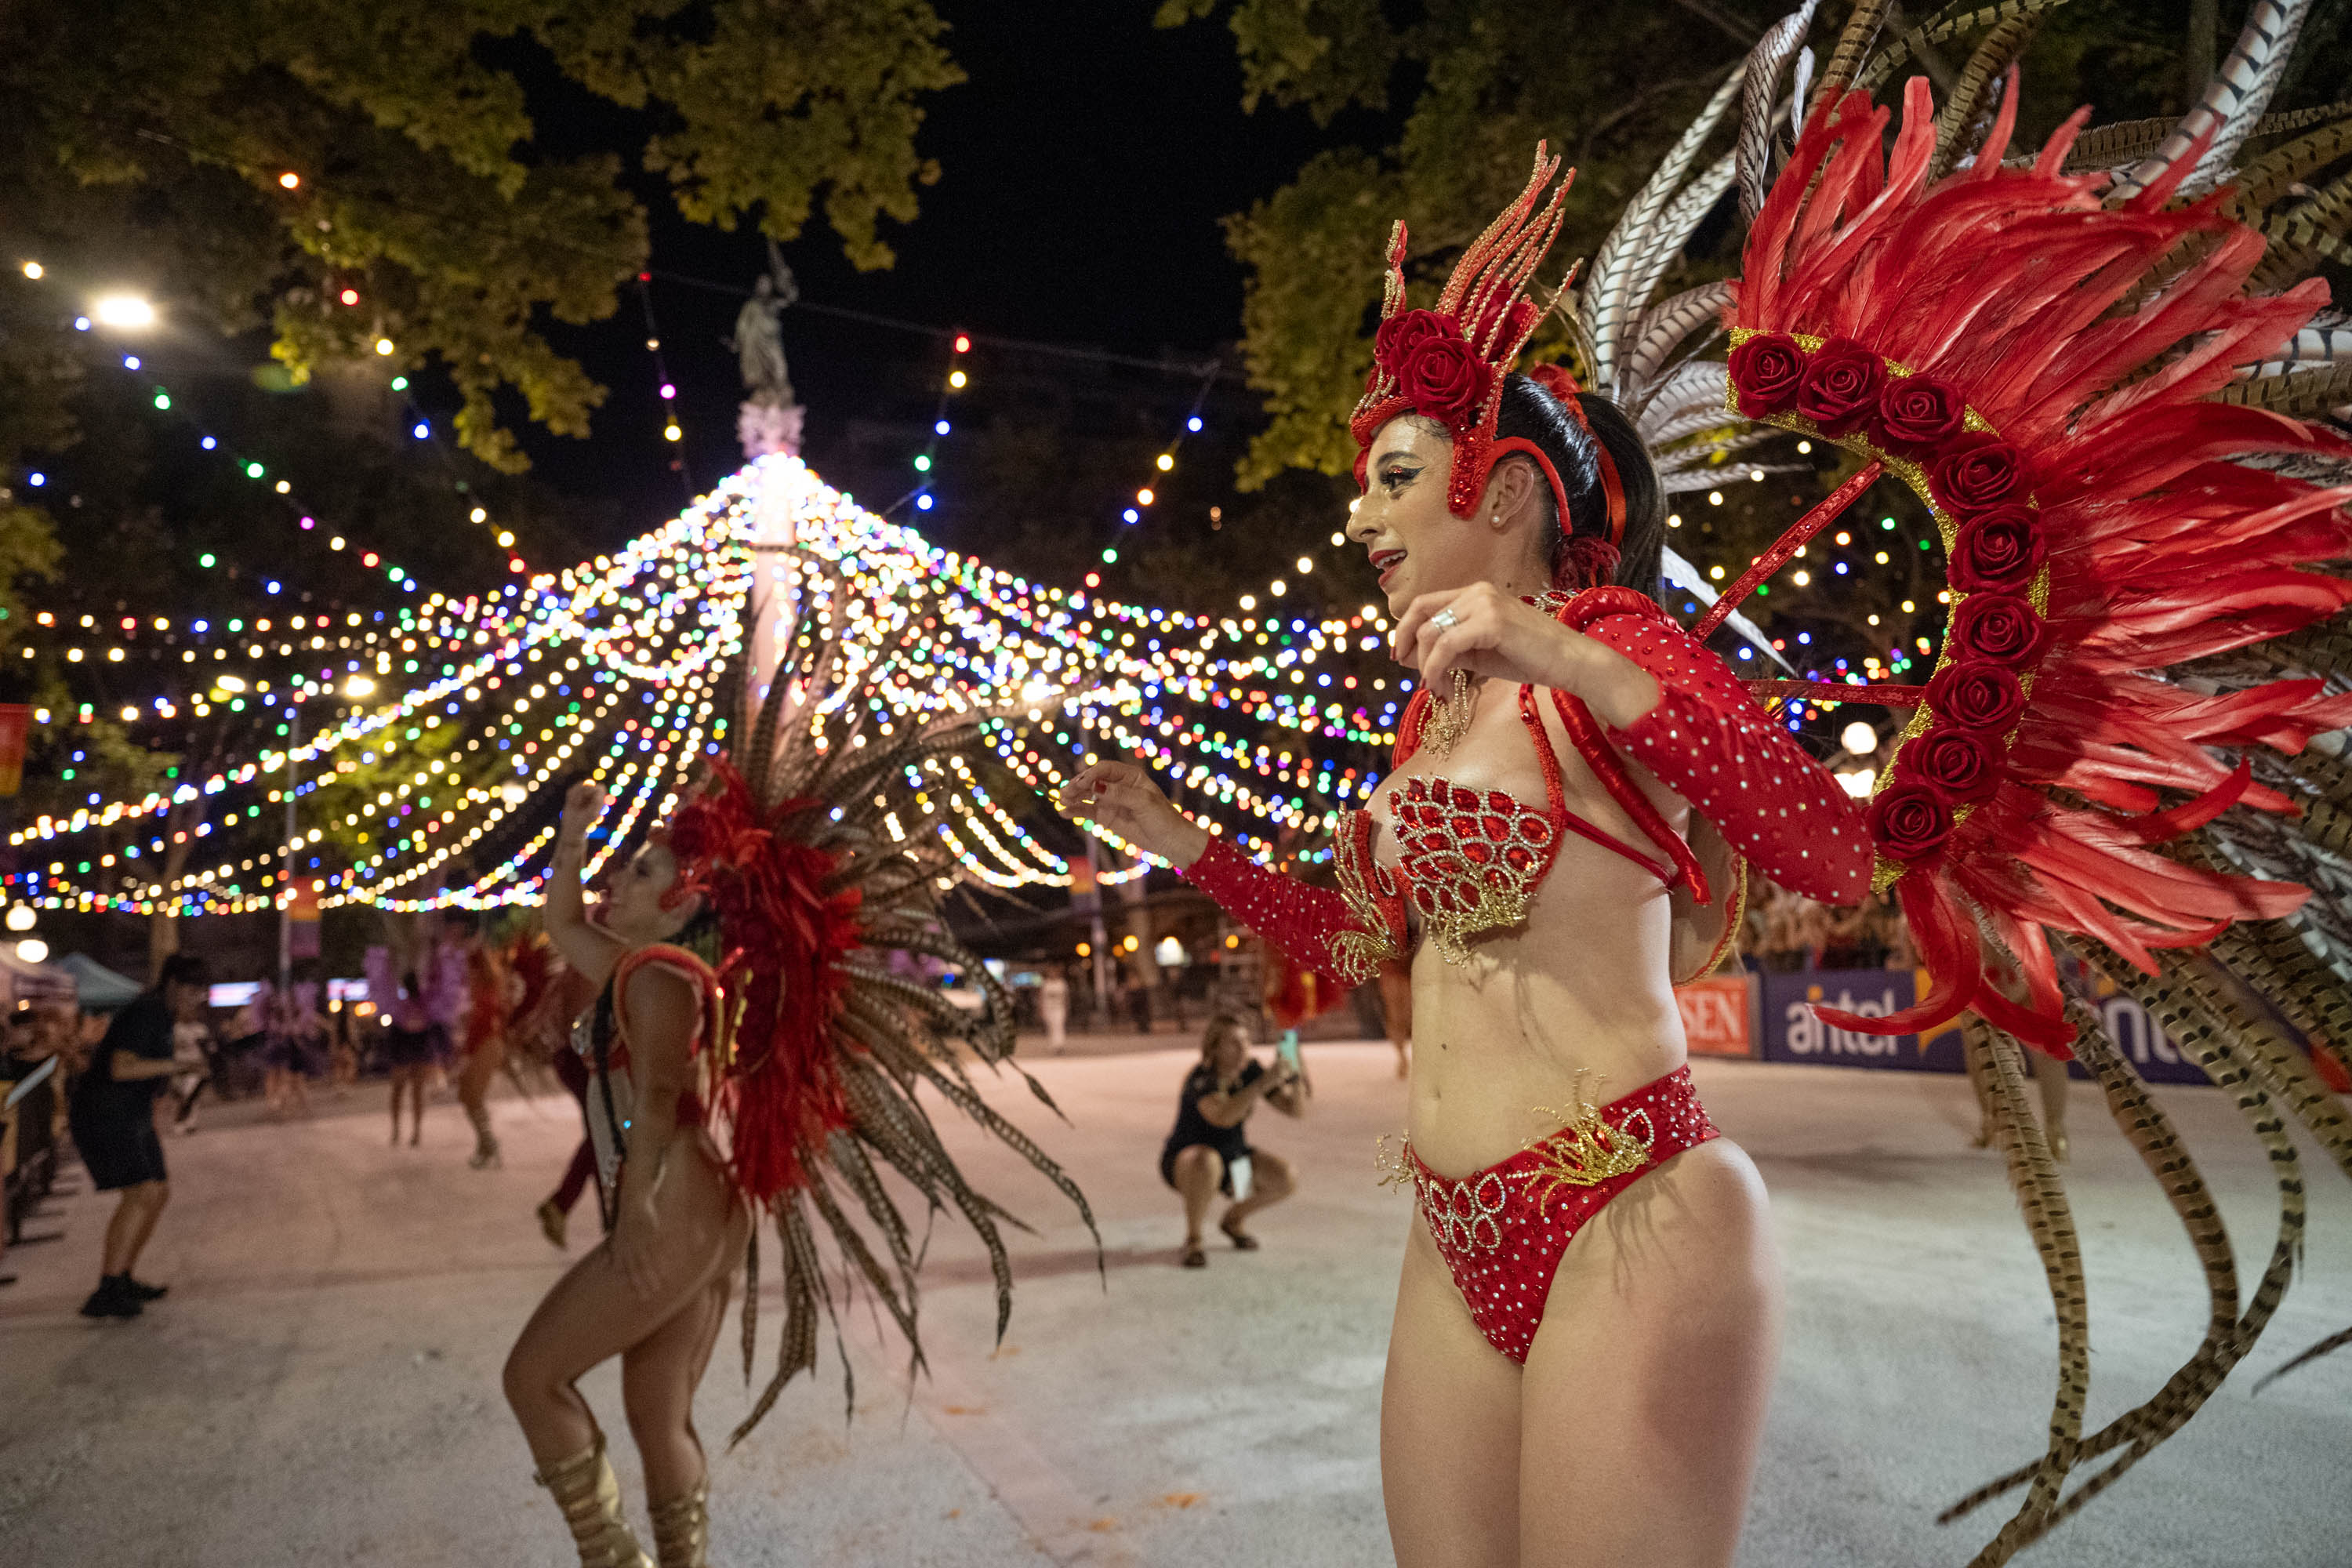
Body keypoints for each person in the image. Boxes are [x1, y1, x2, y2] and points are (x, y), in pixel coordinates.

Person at [1061, 147, 1875, 1566]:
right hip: (1453, 1226)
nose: (1361, 517)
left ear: (1501, 491)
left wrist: (1556, 644)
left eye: (1394, 479)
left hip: (1632, 1204)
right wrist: (1182, 841)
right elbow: (1361, 943)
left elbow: (1829, 844)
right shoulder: (1429, 713)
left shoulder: (1614, 649)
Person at [67, 954, 211, 1319]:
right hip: (105, 1113)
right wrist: (181, 1065)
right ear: (174, 985)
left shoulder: (161, 1015)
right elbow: (121, 1067)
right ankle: (108, 1288)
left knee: (158, 1190)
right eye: (194, 991)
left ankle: (123, 1275)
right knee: (141, 1191)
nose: (200, 1000)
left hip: (131, 1114)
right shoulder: (148, 1011)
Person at [1160, 1014, 1303, 1268]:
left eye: (1246, 1041)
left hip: (1234, 1158)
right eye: (1234, 1043)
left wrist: (1295, 1074)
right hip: (1189, 1164)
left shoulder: (1250, 1071)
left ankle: (1233, 1220)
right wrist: (1262, 1083)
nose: (1243, 1049)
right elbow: (1224, 1117)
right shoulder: (1201, 1079)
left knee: (1286, 1178)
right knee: (1207, 1162)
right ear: (1214, 1048)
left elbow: (1295, 1110)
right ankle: (1194, 1239)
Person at [1037, 963, 1070, 1053]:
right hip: (1048, 1008)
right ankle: (1052, 1044)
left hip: (1059, 1008)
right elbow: (1041, 997)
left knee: (1059, 1025)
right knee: (1050, 1026)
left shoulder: (1062, 983)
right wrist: (1040, 1009)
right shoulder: (1046, 983)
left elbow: (1066, 997)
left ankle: (1059, 1045)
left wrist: (1067, 1008)